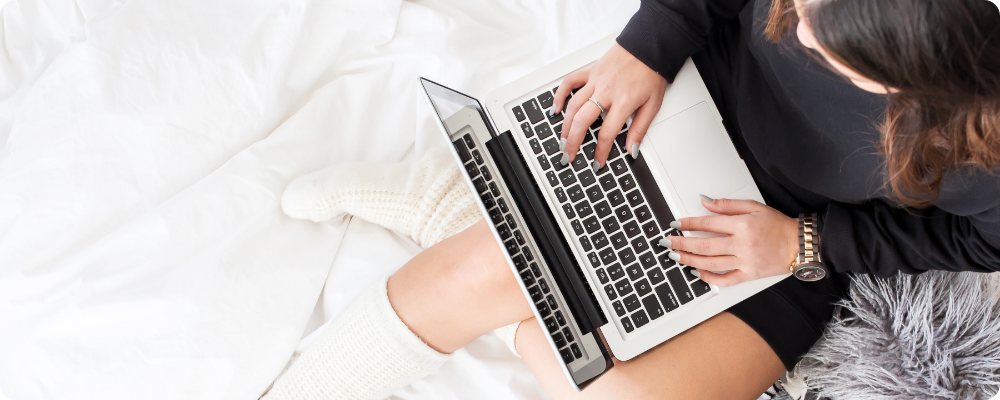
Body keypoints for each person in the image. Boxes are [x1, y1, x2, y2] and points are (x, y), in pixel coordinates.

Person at [263, 0, 1000, 398]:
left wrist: (803, 243)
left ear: (905, 79)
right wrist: (651, 42)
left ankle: (461, 217)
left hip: (784, 237)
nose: (792, 23)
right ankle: (464, 227)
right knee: (471, 278)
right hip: (681, 108)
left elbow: (981, 242)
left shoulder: (984, 145)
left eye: (816, 33)